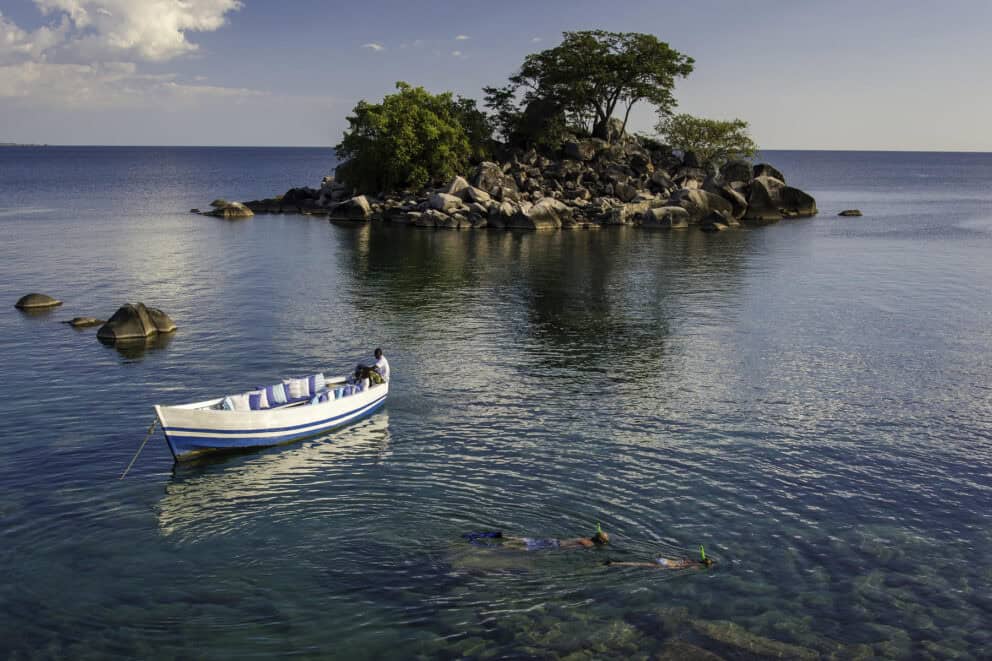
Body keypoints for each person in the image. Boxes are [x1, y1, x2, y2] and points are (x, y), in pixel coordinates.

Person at [463, 526, 609, 551]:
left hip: (552, 540)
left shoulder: (586, 538)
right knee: (517, 547)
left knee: (522, 540)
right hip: (553, 546)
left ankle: (485, 535)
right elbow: (568, 548)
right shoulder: (588, 544)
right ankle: (479, 544)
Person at [605, 546, 714, 570]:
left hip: (665, 560)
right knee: (639, 564)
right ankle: (614, 564)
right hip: (667, 565)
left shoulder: (691, 560)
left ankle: (615, 563)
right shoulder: (694, 565)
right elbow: (691, 569)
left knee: (639, 563)